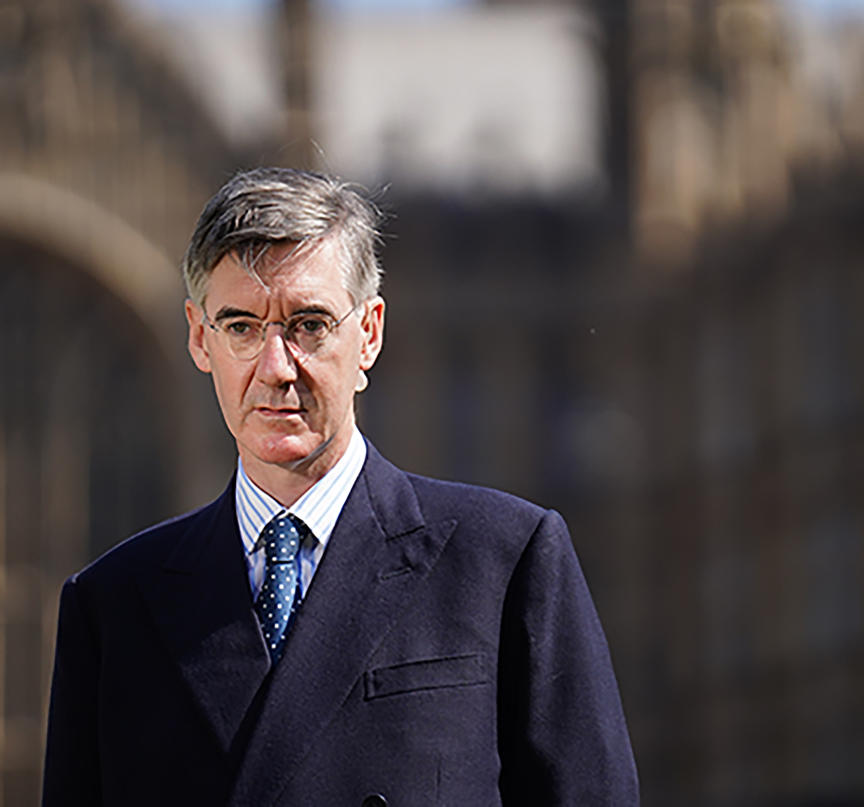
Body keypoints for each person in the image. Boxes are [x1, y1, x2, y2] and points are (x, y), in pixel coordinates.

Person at [41, 167, 639, 807]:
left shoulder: (505, 563)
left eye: (309, 324)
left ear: (370, 334)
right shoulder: (111, 607)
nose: (276, 369)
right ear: (198, 338)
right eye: (241, 326)